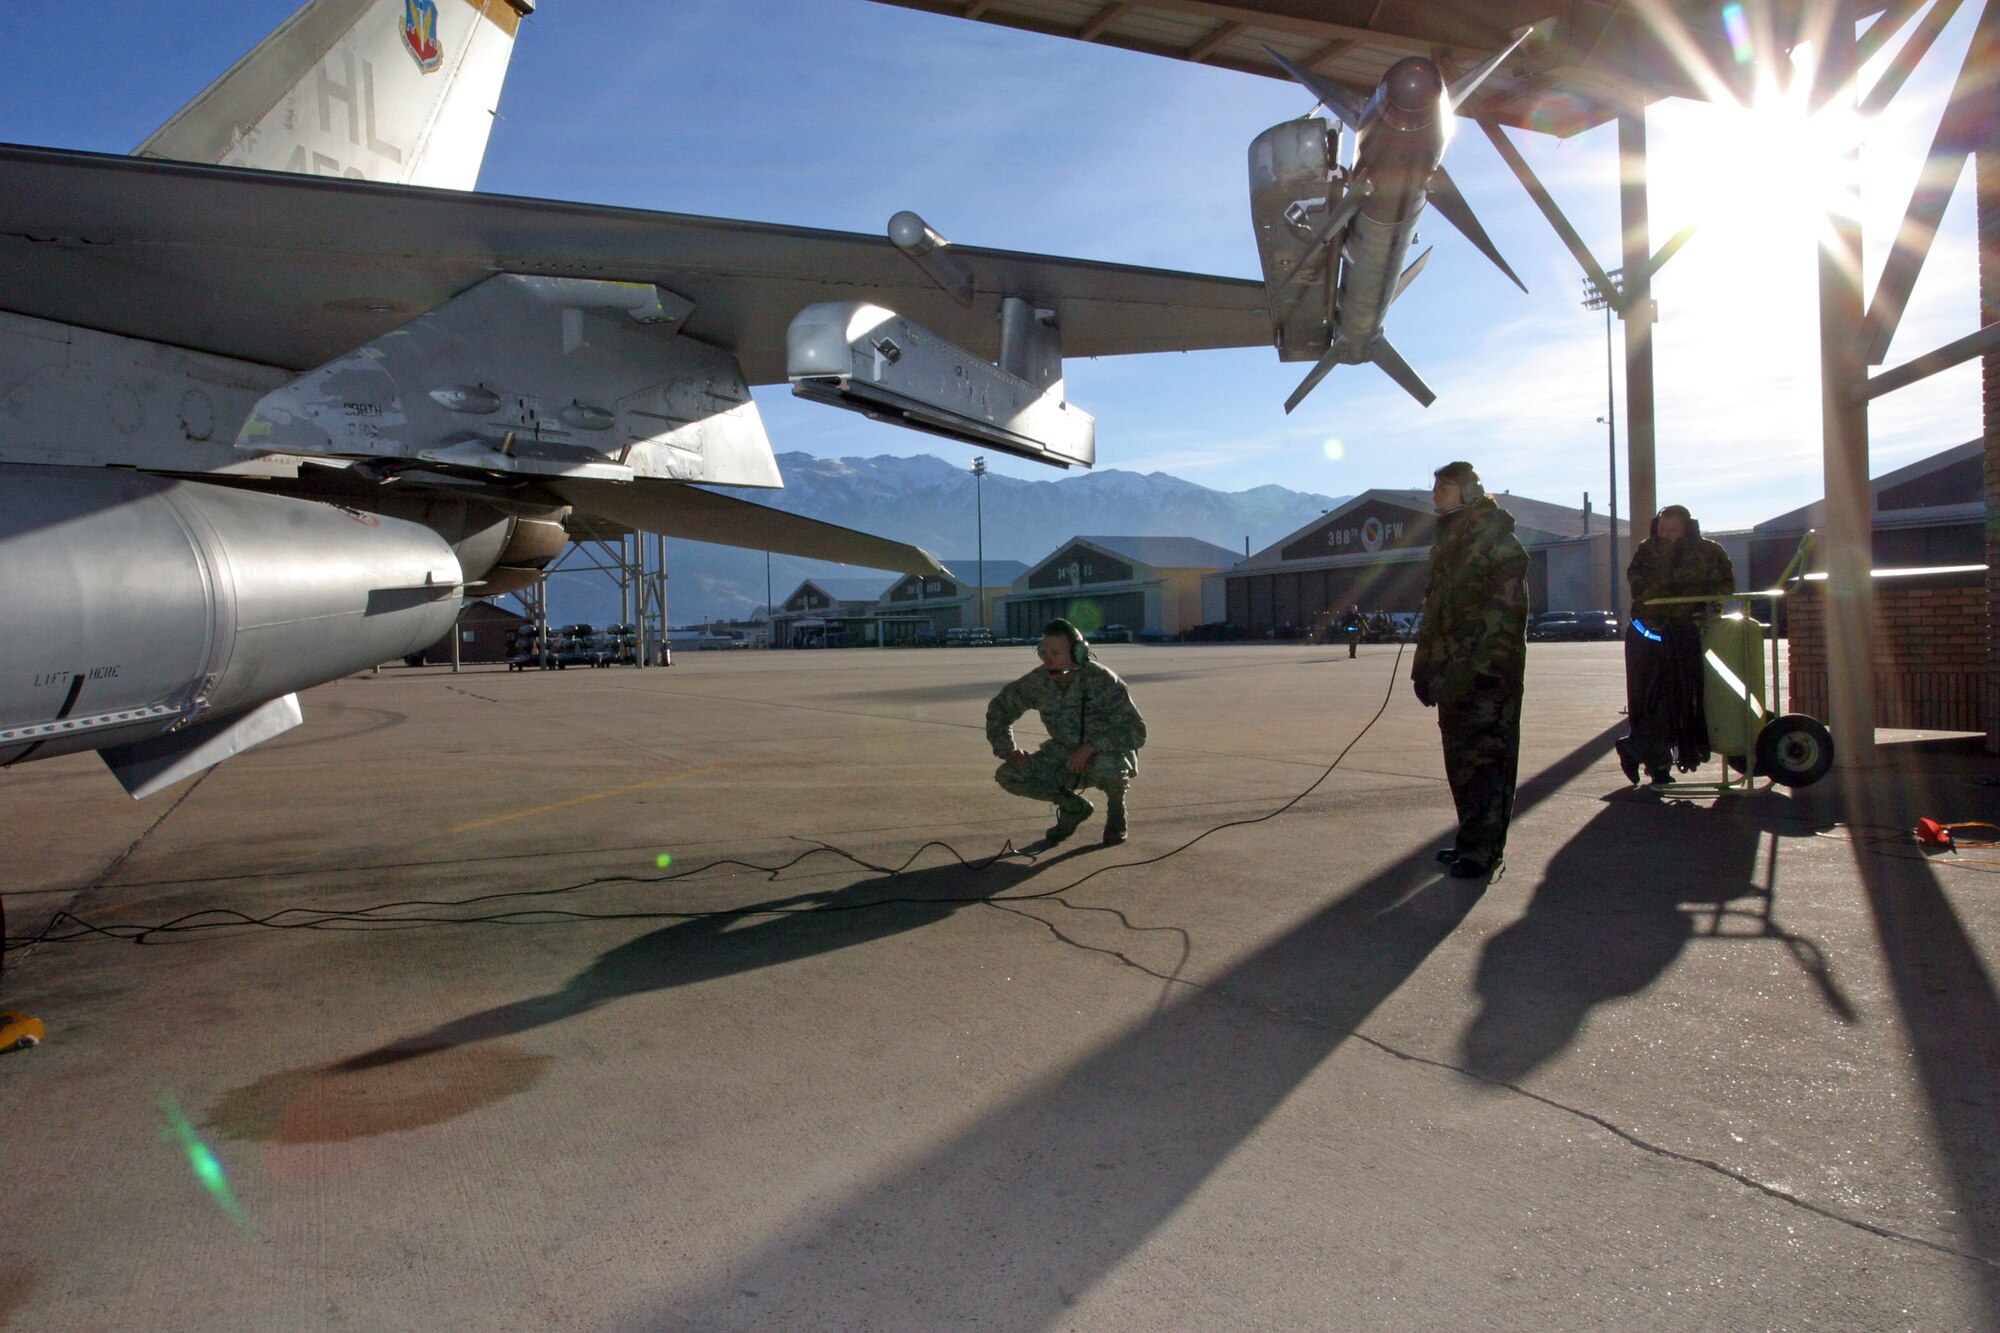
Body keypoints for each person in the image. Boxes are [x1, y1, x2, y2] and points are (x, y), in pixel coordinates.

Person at [1411, 461, 1529, 878]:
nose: (1434, 496)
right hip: (1453, 674)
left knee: (1488, 764)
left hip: (1487, 675)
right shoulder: (1450, 541)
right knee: (1461, 762)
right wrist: (1424, 668)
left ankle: (1484, 851)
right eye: (1435, 488)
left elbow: (1508, 611)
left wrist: (1482, 667)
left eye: (1443, 488)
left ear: (1470, 492)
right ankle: (1470, 840)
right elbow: (1439, 612)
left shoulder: (1495, 539)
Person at [987, 619, 1147, 846]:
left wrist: (1091, 747)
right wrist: (1007, 750)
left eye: (1055, 652)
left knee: (1109, 764)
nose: (1047, 658)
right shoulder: (1038, 681)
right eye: (1043, 651)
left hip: (1103, 755)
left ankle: (1116, 811)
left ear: (1078, 653)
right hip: (1062, 755)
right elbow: (999, 710)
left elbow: (1136, 731)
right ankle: (1073, 807)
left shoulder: (1103, 681)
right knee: (1009, 774)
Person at [1616, 505, 1735, 786]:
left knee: (1684, 700)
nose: (1666, 535)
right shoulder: (1647, 551)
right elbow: (1641, 588)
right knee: (1653, 700)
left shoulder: (1709, 551)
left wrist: (1701, 606)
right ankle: (1652, 762)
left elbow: (1724, 585)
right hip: (1652, 635)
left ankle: (1643, 752)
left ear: (1687, 528)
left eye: (1673, 530)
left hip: (1689, 636)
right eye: (1662, 529)